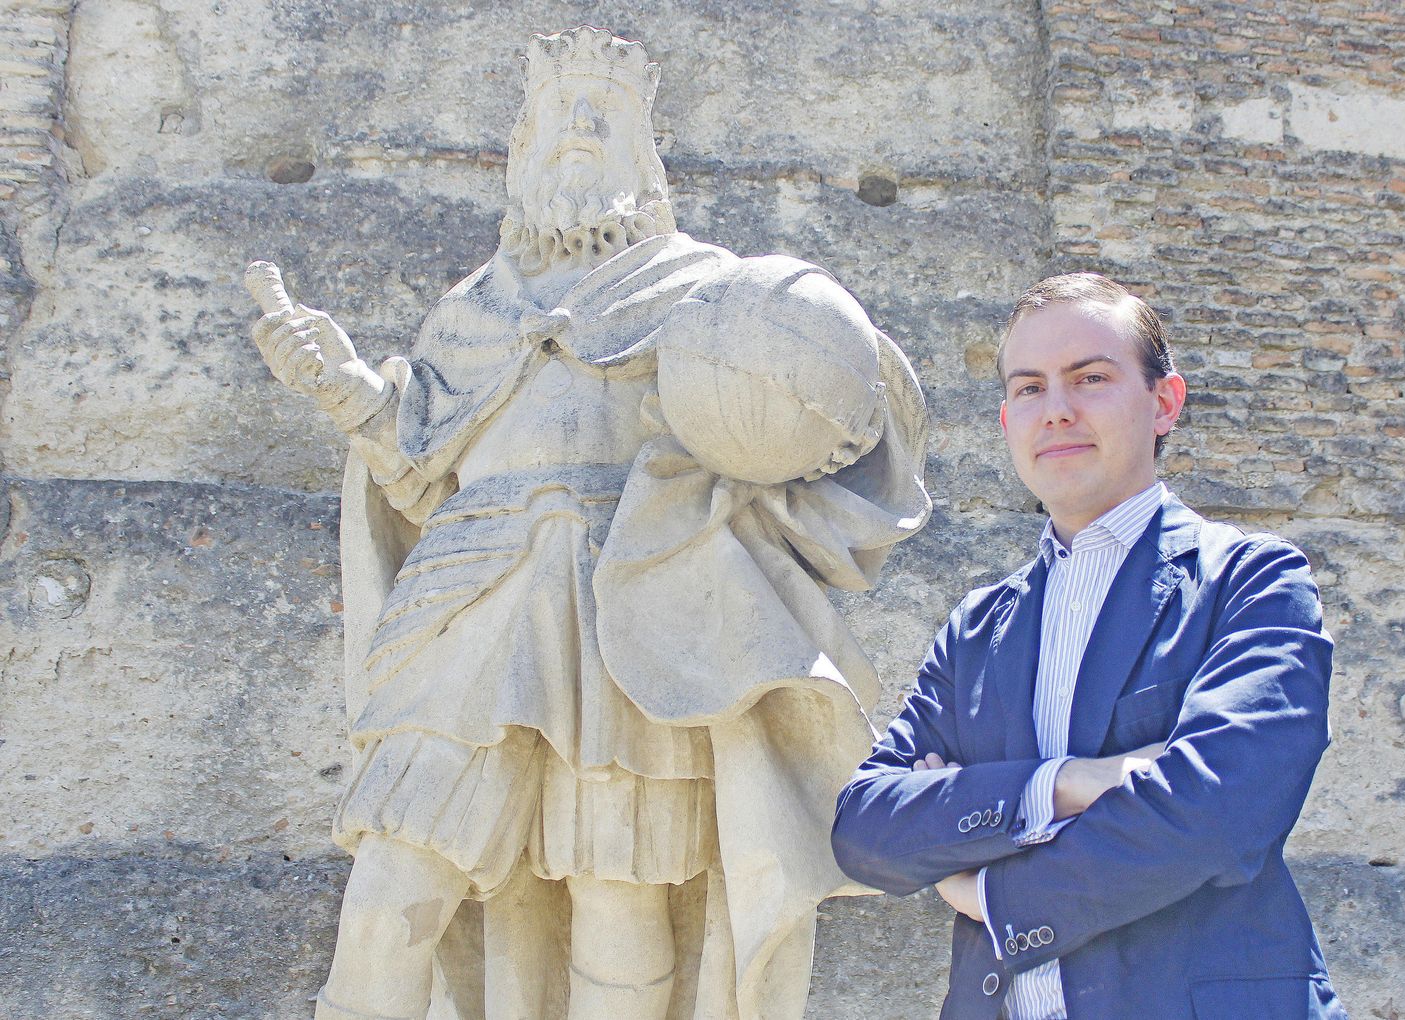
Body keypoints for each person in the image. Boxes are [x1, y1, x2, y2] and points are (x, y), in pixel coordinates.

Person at [249, 27, 929, 1020]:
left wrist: (831, 400)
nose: (577, 130)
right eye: (558, 117)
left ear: (645, 155)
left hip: (628, 624)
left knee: (621, 909)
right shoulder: (465, 310)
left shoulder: (712, 295)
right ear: (519, 149)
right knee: (389, 894)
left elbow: (816, 402)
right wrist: (349, 392)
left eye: (601, 118)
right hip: (466, 608)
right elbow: (424, 479)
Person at [831, 273, 1347, 1019]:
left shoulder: (1252, 583)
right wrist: (1069, 784)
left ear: (1164, 402)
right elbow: (867, 828)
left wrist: (984, 890)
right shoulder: (977, 630)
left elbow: (1213, 814)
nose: (1058, 410)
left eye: (1091, 378)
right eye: (1030, 388)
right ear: (1007, 419)